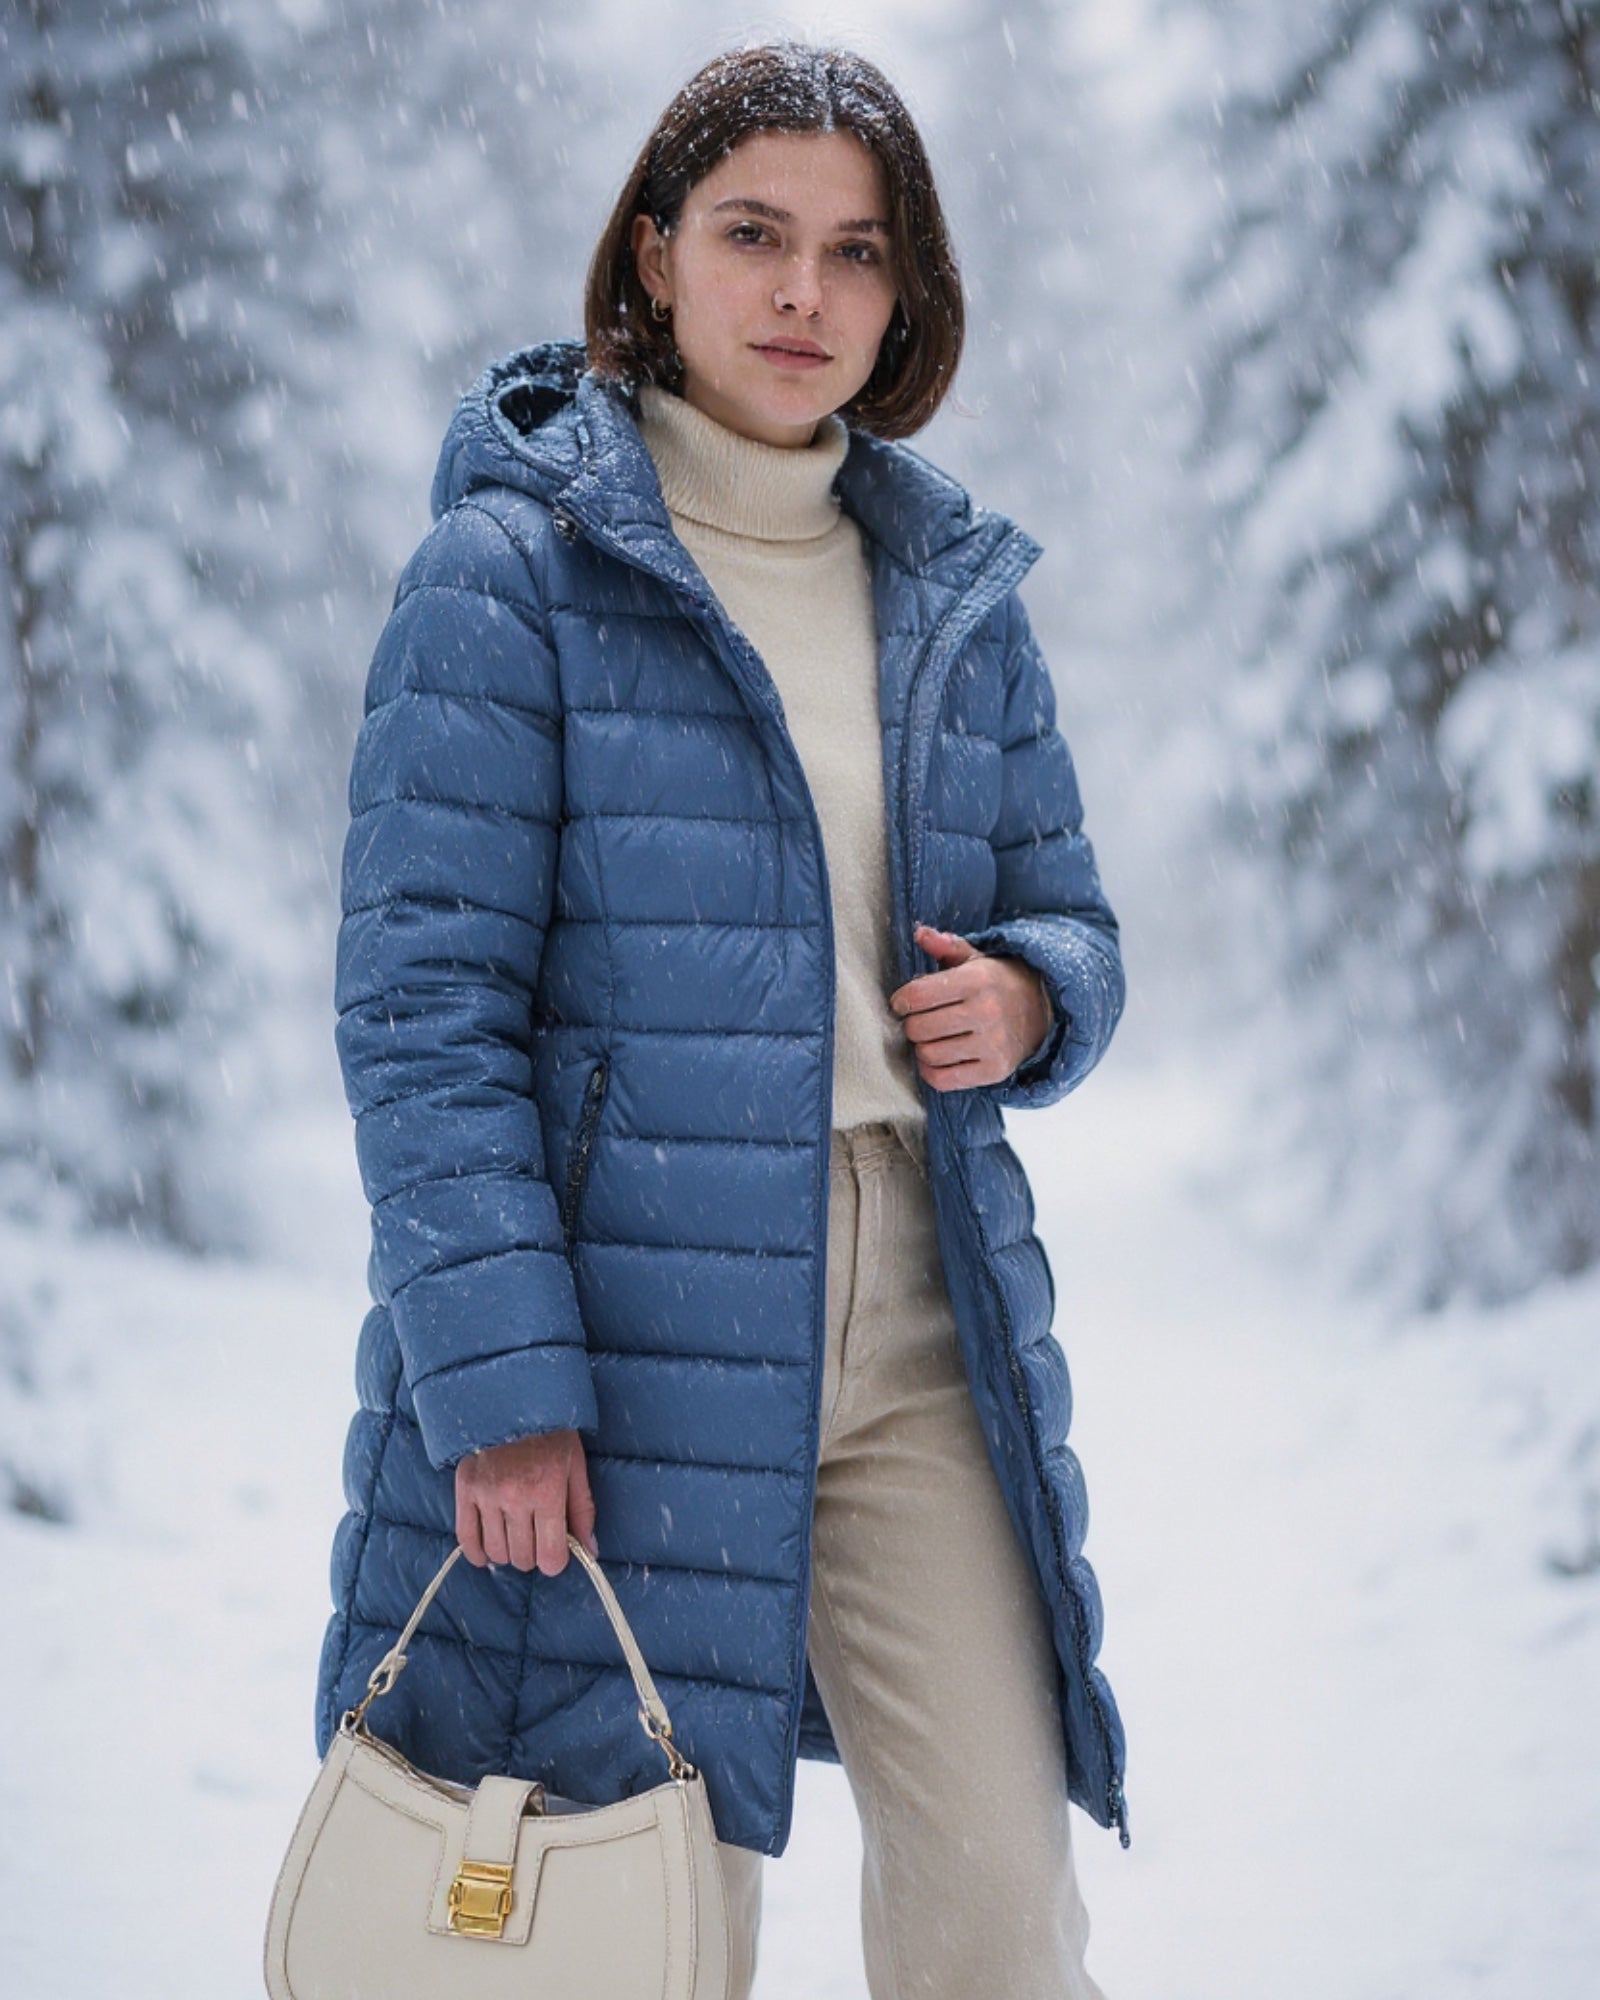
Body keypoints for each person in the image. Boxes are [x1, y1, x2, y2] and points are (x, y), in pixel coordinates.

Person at [315, 39, 1127, 2000]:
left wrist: (1033, 995)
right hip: (624, 1320)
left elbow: (1071, 917)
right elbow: (423, 1011)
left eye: (856, 252)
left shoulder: (948, 593)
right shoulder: (509, 574)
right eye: (754, 234)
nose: (802, 293)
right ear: (655, 253)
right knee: (643, 1919)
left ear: (904, 296)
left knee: (996, 1905)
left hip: (918, 1316)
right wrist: (499, 1382)